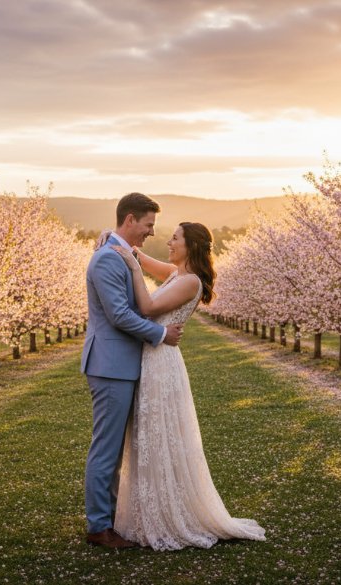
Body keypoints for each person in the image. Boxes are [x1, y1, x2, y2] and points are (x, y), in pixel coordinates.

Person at [108, 221, 266, 551]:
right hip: (153, 359)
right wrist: (118, 242)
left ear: (190, 245)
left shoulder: (190, 281)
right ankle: (148, 509)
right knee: (149, 435)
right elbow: (141, 258)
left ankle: (169, 515)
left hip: (161, 364)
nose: (168, 241)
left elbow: (148, 308)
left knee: (159, 434)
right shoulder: (177, 273)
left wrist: (131, 268)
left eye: (175, 238)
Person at [81, 193, 184, 549]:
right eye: (148, 225)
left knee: (115, 448)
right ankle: (98, 527)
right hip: (111, 366)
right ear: (130, 220)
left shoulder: (118, 253)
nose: (151, 232)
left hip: (122, 364)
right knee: (106, 449)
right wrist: (161, 334)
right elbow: (119, 315)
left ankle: (108, 520)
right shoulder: (108, 260)